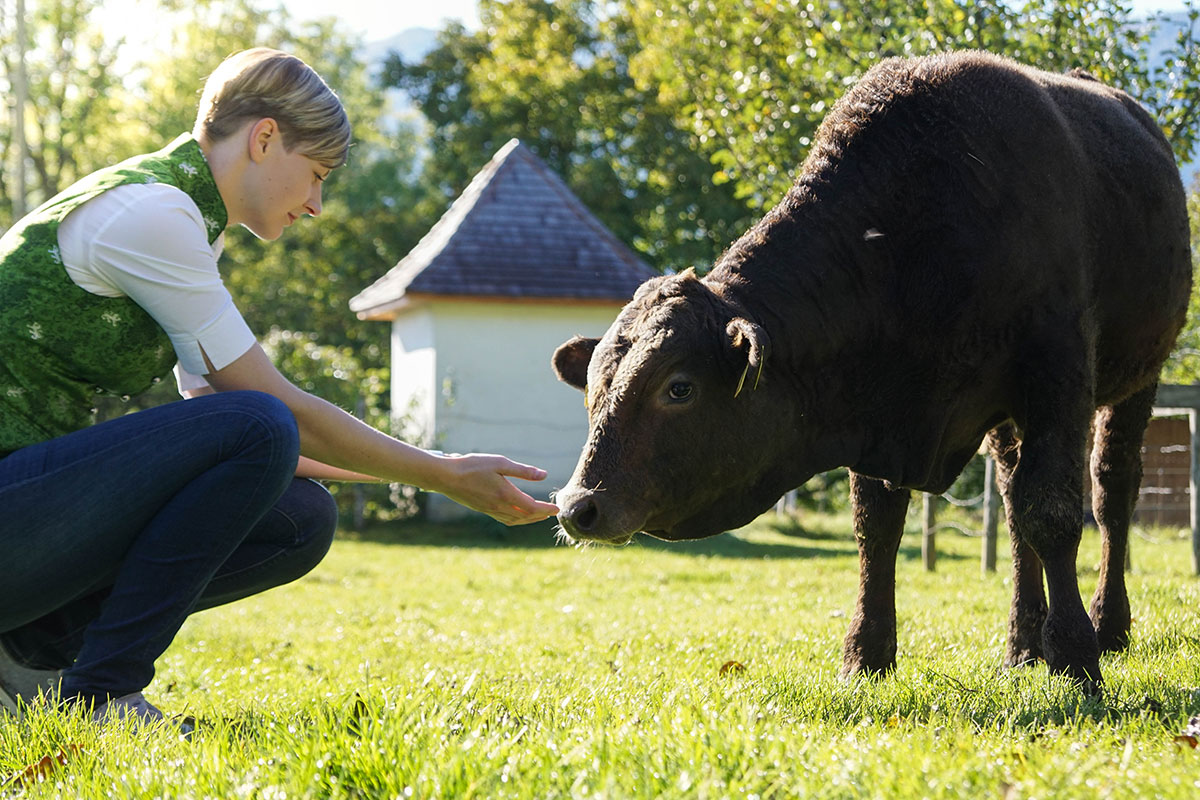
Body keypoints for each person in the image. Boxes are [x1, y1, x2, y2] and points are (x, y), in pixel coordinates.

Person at [0, 48, 558, 724]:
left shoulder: (189, 228)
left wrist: (421, 477)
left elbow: (242, 451)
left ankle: (27, 658)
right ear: (264, 139)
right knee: (260, 419)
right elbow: (272, 415)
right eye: (316, 175)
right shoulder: (151, 216)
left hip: (25, 518)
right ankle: (103, 695)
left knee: (299, 516)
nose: (317, 204)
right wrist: (441, 474)